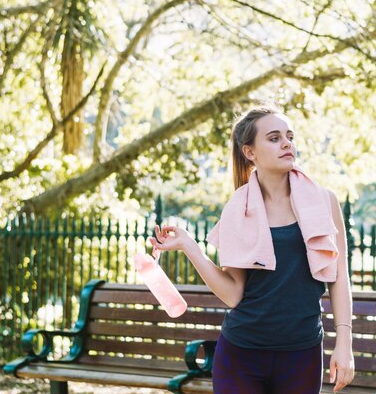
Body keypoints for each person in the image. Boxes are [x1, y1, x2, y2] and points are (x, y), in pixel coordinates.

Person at [149, 104, 355, 394]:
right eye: (273, 138)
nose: (286, 143)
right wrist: (189, 246)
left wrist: (344, 344)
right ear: (250, 152)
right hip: (241, 354)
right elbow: (234, 294)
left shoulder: (324, 202)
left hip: (302, 353)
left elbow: (339, 276)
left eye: (289, 136)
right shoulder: (238, 209)